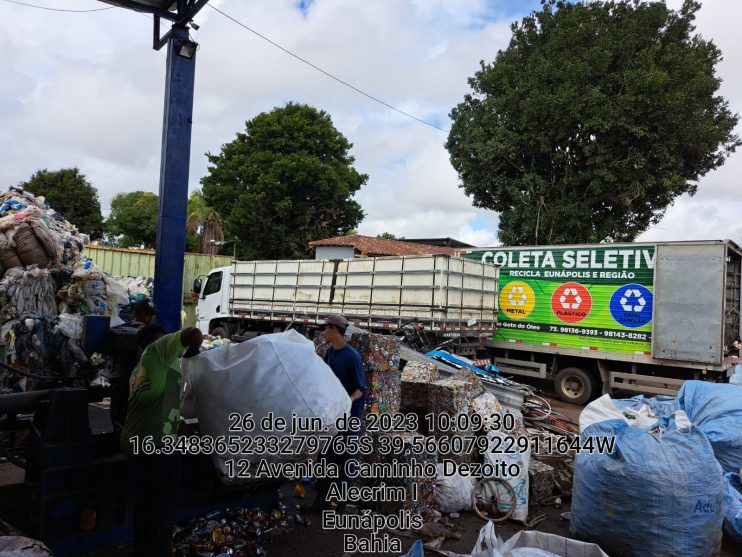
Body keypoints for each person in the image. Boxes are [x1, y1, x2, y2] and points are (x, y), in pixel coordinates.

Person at [121, 325, 203, 557]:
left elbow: (159, 406)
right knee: (162, 515)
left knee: (146, 513)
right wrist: (194, 349)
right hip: (157, 452)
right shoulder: (158, 350)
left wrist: (184, 427)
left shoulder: (142, 369)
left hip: (139, 448)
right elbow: (193, 334)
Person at [306, 315, 367, 513]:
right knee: (325, 458)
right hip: (333, 417)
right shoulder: (330, 353)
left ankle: (339, 508)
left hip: (350, 419)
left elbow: (361, 389)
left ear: (334, 330)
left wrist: (346, 402)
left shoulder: (352, 356)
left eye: (326, 329)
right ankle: (320, 504)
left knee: (344, 462)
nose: (323, 333)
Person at [109, 300, 158, 440]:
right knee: (121, 411)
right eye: (147, 314)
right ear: (137, 313)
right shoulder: (122, 329)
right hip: (124, 380)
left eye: (152, 315)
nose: (151, 318)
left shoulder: (153, 331)